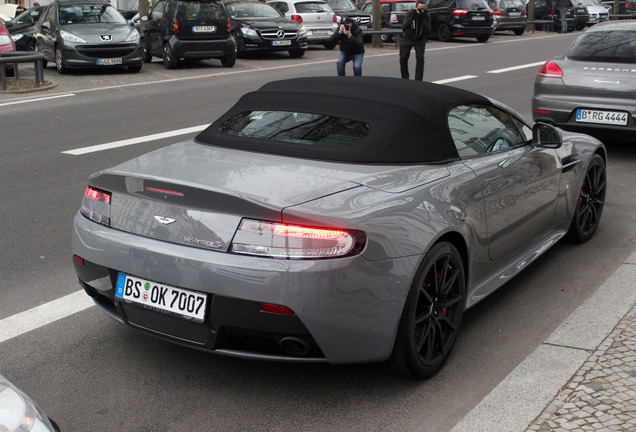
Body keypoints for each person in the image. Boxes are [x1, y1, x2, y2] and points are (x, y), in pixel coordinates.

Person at [399, 0, 431, 81]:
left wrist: (422, 19)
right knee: (403, 58)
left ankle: (418, 80)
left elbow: (428, 30)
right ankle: (405, 78)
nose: (421, 11)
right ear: (415, 7)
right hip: (408, 37)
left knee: (420, 58)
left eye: (423, 9)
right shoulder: (410, 13)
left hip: (420, 39)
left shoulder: (427, 16)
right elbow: (404, 27)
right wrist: (412, 17)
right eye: (419, 9)